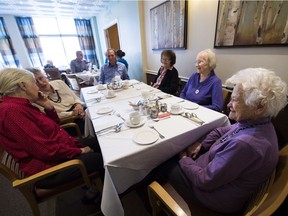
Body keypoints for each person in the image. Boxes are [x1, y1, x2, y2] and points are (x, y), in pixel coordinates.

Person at [158, 68, 287, 214]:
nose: (228, 105)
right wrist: (201, 144)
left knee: (163, 161)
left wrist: (184, 158)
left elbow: (205, 180)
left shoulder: (246, 144)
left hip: (211, 197)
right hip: (211, 172)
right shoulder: (256, 122)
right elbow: (220, 131)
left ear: (259, 107)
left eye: (235, 100)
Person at [0, 68, 103, 203]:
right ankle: (101, 196)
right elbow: (45, 151)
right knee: (101, 158)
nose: (37, 86)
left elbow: (54, 127)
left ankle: (94, 184)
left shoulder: (22, 105)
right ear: (23, 85)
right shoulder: (12, 112)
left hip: (57, 152)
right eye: (34, 83)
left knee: (98, 142)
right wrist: (79, 151)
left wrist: (48, 107)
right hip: (49, 169)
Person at [26, 68, 86, 134]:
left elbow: (75, 97)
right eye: (35, 82)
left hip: (78, 110)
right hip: (68, 122)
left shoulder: (59, 83)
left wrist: (78, 105)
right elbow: (53, 116)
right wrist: (74, 113)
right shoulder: (37, 99)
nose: (40, 83)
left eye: (41, 78)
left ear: (45, 76)